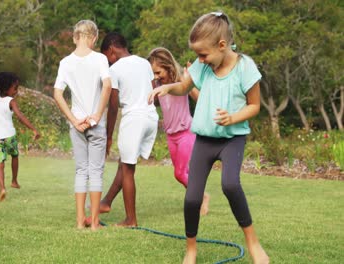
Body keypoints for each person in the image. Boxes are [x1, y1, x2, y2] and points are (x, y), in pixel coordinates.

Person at [148, 12, 269, 264]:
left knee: (230, 185)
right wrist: (168, 87)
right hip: (204, 139)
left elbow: (255, 105)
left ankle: (253, 243)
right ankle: (191, 250)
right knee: (192, 197)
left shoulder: (245, 67)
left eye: (203, 54)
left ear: (222, 45)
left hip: (231, 138)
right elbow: (184, 87)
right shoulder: (203, 66)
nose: (199, 60)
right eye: (198, 55)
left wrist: (233, 117)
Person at [53, 20, 112, 230]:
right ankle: (94, 223)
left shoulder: (65, 62)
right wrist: (96, 115)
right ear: (94, 38)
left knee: (80, 170)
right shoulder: (100, 59)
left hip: (76, 123)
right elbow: (107, 86)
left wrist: (72, 119)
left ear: (74, 37)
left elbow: (57, 93)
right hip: (96, 123)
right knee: (95, 171)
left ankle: (80, 222)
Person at [99, 32, 159, 227]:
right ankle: (106, 202)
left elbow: (113, 106)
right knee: (125, 163)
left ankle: (130, 220)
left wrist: (108, 136)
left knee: (127, 169)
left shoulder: (114, 70)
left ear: (111, 50)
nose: (107, 61)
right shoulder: (144, 63)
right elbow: (154, 94)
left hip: (134, 118)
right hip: (151, 117)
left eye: (106, 57)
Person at [147, 47, 210, 216]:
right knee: (182, 174)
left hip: (186, 133)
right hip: (171, 135)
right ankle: (197, 198)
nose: (156, 76)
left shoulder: (182, 79)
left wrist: (192, 79)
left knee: (180, 173)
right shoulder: (158, 84)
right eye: (153, 73)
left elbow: (199, 97)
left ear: (168, 65)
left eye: (158, 72)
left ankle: (203, 197)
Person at [0, 72, 40, 201]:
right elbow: (20, 116)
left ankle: (2, 188)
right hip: (9, 136)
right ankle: (14, 181)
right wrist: (34, 129)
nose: (16, 91)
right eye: (15, 88)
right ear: (6, 88)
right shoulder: (11, 101)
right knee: (15, 155)